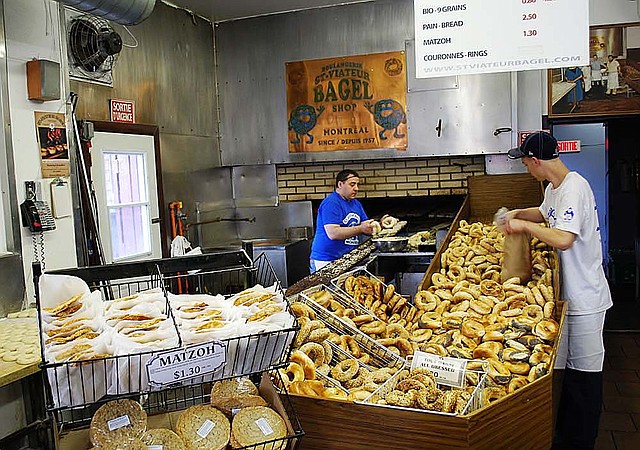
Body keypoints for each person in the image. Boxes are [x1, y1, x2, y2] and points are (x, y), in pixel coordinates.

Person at [505, 131, 612, 450]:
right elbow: (545, 213)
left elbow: (564, 237)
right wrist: (519, 214)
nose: (525, 168)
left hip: (585, 297)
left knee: (585, 375)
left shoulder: (574, 187)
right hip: (565, 297)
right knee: (565, 374)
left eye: (525, 163)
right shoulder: (555, 188)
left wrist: (524, 227)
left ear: (536, 161)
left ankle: (581, 441)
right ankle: (564, 435)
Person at [309, 169, 374, 272]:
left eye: (357, 185)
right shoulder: (331, 203)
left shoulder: (356, 203)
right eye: (352, 184)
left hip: (346, 259)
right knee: (327, 289)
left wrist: (379, 224)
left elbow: (365, 225)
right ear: (340, 184)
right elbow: (333, 233)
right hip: (326, 260)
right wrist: (361, 229)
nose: (356, 188)